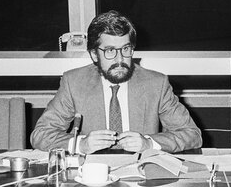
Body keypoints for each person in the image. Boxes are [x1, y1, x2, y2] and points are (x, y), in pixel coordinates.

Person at [31, 10, 202, 154]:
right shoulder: (74, 83)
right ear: (93, 54)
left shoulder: (156, 84)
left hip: (140, 178)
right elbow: (40, 135)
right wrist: (80, 144)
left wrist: (149, 143)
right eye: (110, 51)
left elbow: (192, 135)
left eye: (126, 49)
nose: (120, 59)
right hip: (92, 177)